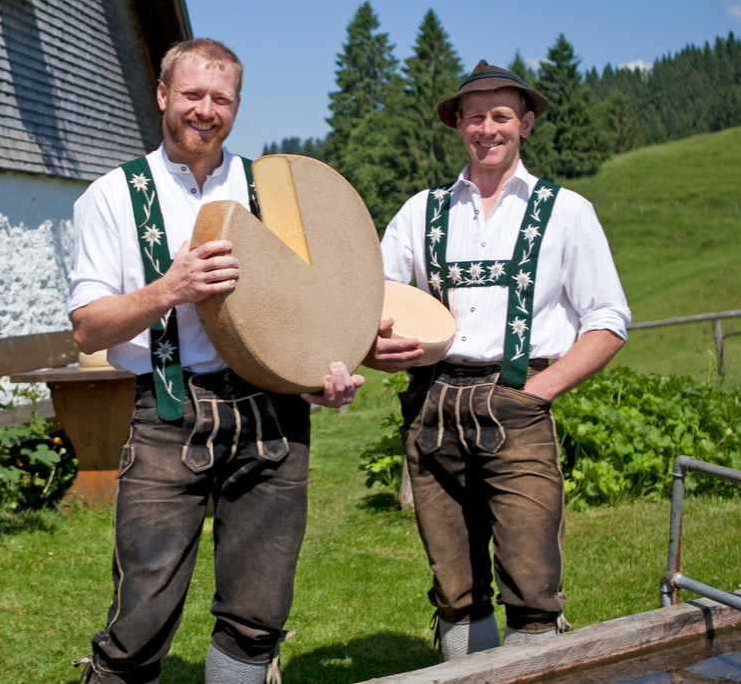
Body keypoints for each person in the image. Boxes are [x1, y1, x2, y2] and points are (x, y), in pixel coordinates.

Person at [69, 38, 405, 684]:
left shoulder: (276, 189)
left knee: (258, 613)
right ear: (163, 95)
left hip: (272, 418)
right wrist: (173, 287)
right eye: (192, 93)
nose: (206, 109)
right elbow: (87, 328)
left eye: (221, 98)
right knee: (142, 615)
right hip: (169, 414)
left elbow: (318, 306)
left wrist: (322, 374)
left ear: (237, 106)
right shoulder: (113, 195)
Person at [379, 60, 629, 658]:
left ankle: (534, 663)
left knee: (532, 580)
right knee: (455, 585)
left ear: (527, 123)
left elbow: (608, 321)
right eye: (474, 117)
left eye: (501, 115)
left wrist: (538, 392)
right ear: (458, 126)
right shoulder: (422, 212)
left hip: (517, 404)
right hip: (433, 406)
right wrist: (375, 349)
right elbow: (374, 302)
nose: (487, 128)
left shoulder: (567, 210)